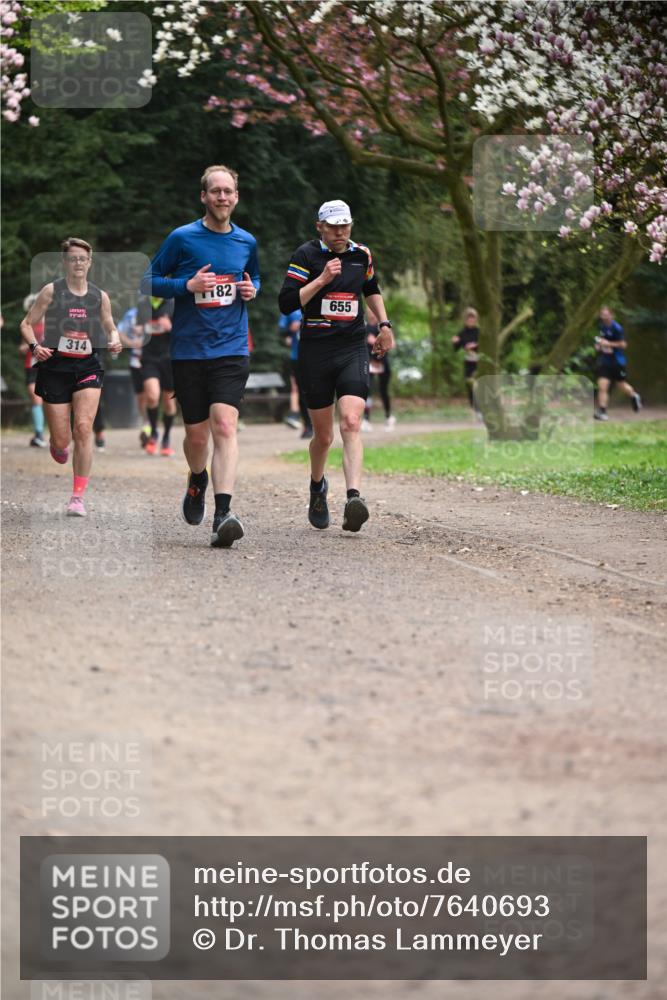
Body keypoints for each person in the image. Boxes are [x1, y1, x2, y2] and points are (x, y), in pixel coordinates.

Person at [141, 164, 259, 548]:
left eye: (228, 191)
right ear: (204, 196)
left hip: (231, 348)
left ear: (236, 197)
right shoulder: (183, 238)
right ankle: (197, 479)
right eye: (215, 191)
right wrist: (186, 285)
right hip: (190, 351)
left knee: (224, 425)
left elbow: (253, 277)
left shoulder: (246, 242)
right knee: (196, 435)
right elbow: (148, 281)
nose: (222, 197)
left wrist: (250, 289)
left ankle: (223, 513)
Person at [278, 199, 394, 533]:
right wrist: (321, 280)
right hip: (315, 350)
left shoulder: (362, 255)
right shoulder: (306, 256)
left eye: (345, 225)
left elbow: (371, 288)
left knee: (352, 420)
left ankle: (353, 497)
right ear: (320, 227)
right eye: (333, 226)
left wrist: (384, 325)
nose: (340, 232)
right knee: (324, 435)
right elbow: (286, 303)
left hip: (352, 347)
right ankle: (317, 486)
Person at [19, 237, 122, 515]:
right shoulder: (51, 291)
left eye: (83, 258)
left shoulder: (99, 296)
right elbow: (27, 324)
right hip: (55, 368)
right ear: (65, 262)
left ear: (90, 262)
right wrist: (35, 347)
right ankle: (56, 443)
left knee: (84, 428)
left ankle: (77, 497)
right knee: (62, 440)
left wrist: (114, 338)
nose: (78, 263)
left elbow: (109, 324)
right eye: (73, 258)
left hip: (88, 365)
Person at [134, 294, 176, 455]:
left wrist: (171, 327)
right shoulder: (143, 304)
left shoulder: (173, 302)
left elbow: (184, 331)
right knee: (152, 396)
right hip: (149, 357)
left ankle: (166, 437)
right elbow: (138, 330)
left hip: (169, 358)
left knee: (169, 403)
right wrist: (141, 329)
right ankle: (154, 433)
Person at [594, 306, 641, 421]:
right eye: (602, 314)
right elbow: (600, 340)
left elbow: (623, 344)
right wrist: (598, 346)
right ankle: (602, 412)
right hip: (605, 361)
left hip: (617, 361)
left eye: (606, 314)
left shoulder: (617, 328)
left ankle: (634, 396)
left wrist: (608, 344)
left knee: (621, 385)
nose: (604, 317)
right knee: (602, 386)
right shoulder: (601, 327)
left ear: (611, 315)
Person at [117, 304, 149, 447]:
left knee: (154, 395)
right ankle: (146, 424)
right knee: (141, 397)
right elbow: (119, 331)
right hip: (137, 361)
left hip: (157, 360)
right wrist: (130, 343)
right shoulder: (131, 314)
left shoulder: (161, 311)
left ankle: (151, 426)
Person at [280, 307, 312, 438]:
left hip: (318, 356)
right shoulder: (291, 307)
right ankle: (308, 425)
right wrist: (290, 330)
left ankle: (320, 424)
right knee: (302, 392)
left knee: (318, 390)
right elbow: (281, 331)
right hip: (297, 357)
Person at [19, 293, 47, 447]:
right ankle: (39, 434)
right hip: (31, 366)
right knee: (35, 397)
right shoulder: (27, 325)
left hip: (48, 367)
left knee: (48, 401)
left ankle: (58, 435)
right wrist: (27, 347)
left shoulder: (51, 323)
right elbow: (22, 346)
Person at [363, 307, 395, 432]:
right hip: (369, 363)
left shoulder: (385, 328)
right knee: (367, 390)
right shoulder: (364, 328)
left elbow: (392, 344)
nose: (372, 314)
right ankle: (366, 419)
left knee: (383, 391)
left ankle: (389, 417)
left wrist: (378, 342)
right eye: (370, 311)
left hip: (382, 363)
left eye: (374, 311)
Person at [452, 307, 480, 412]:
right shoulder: (462, 333)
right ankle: (475, 409)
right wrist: (455, 342)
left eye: (473, 318)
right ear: (465, 320)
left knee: (480, 385)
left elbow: (485, 345)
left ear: (476, 319)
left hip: (480, 362)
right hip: (469, 362)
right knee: (470, 386)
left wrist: (475, 346)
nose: (471, 321)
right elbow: (456, 348)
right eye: (469, 319)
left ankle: (482, 408)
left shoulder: (479, 332)